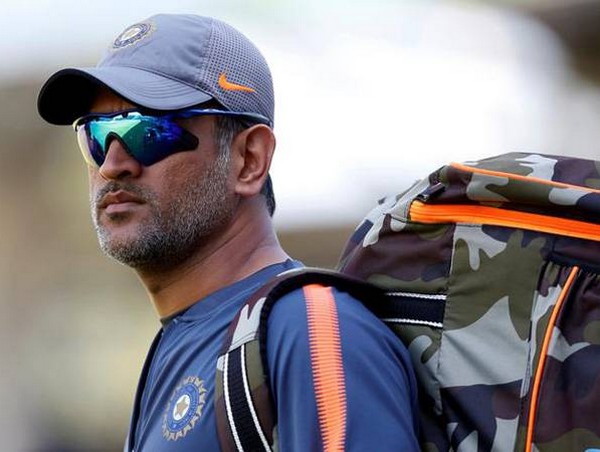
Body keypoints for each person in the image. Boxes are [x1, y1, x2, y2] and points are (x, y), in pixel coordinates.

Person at [37, 13, 419, 451]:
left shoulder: (308, 328)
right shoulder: (182, 341)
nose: (112, 164)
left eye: (149, 130)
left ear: (249, 160)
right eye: (96, 134)